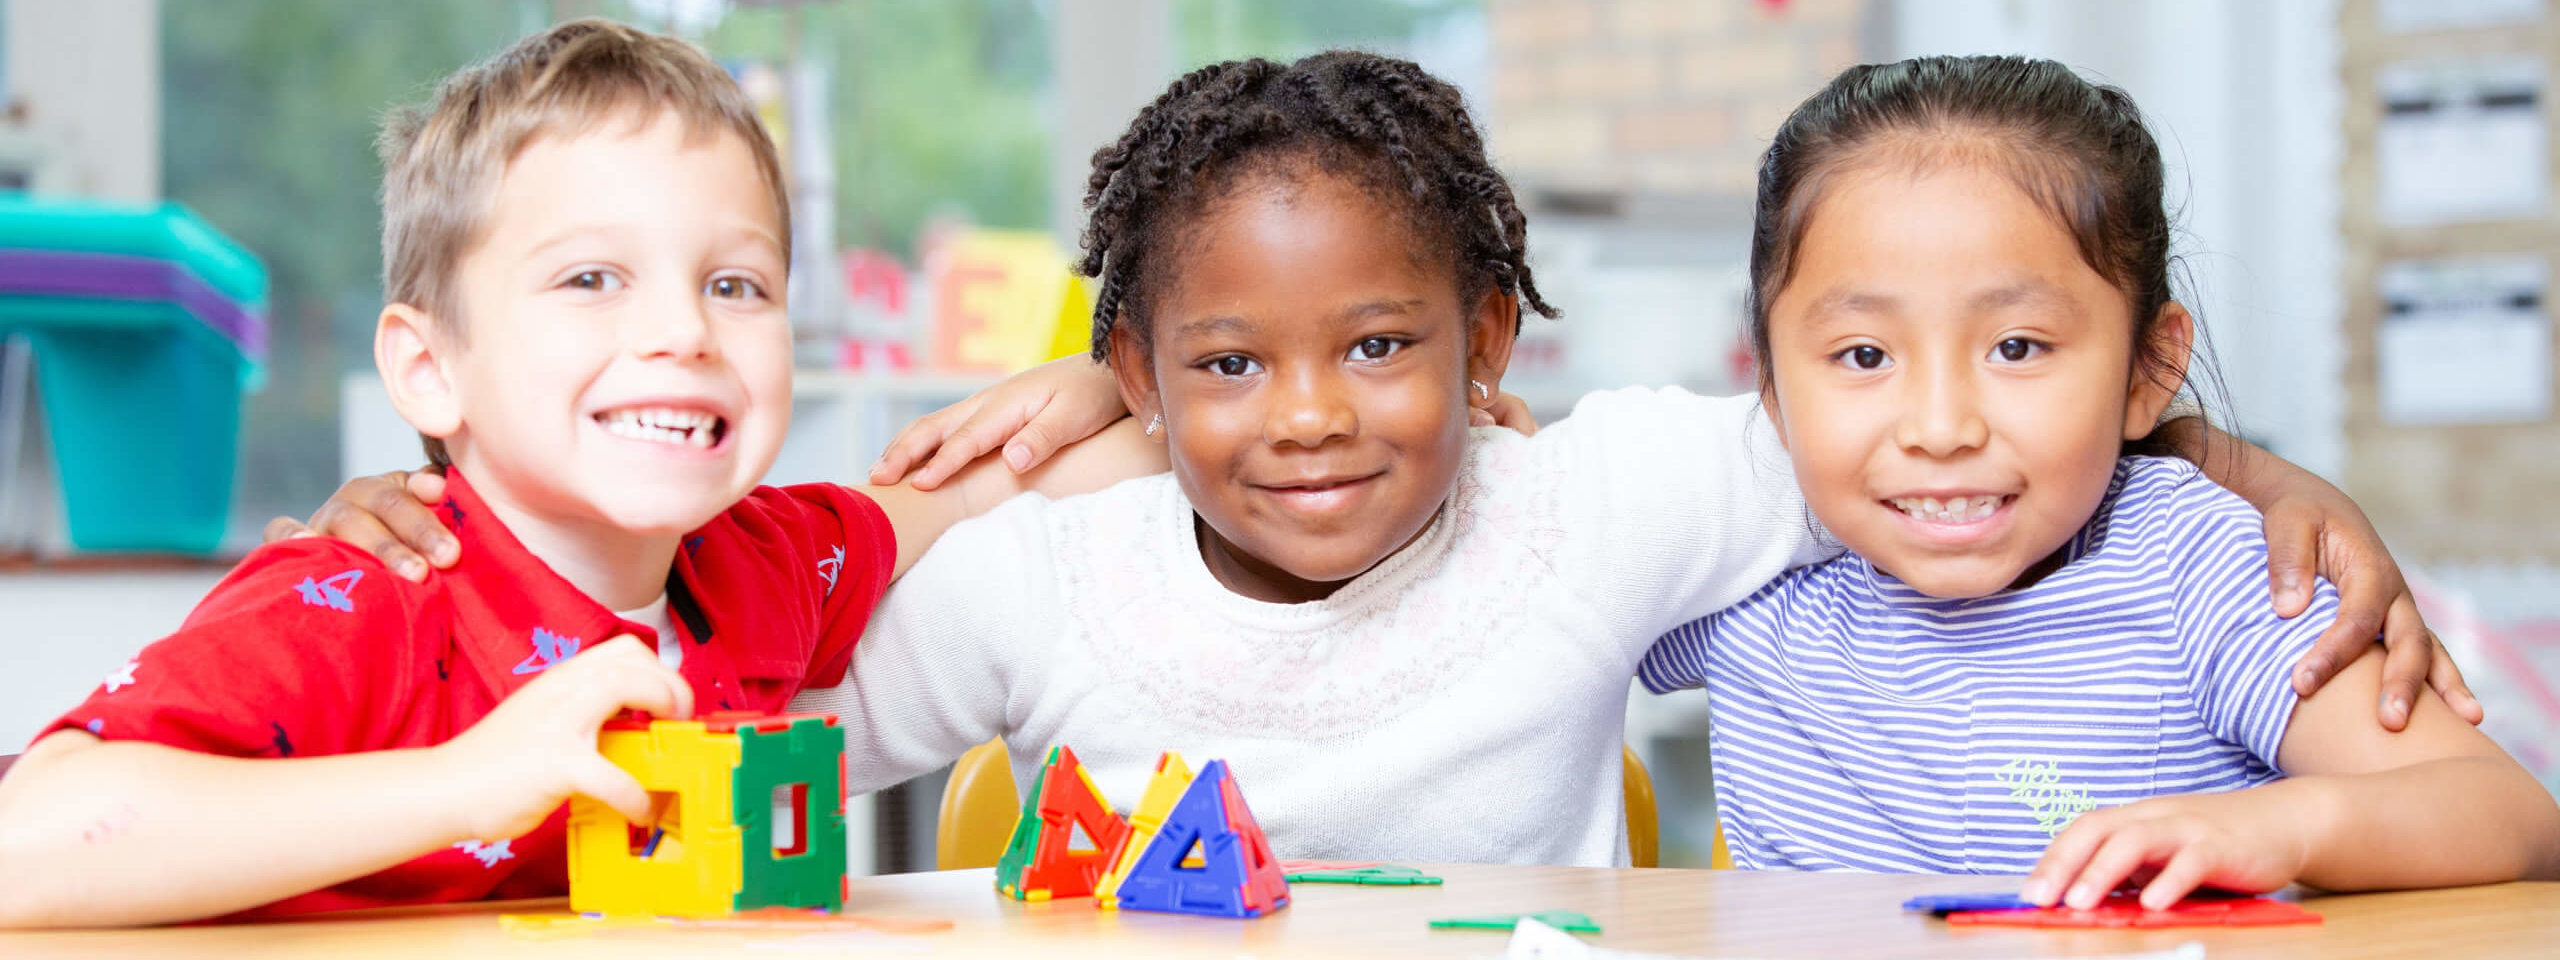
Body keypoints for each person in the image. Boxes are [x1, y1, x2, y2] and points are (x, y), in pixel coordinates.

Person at [296, 50, 2456, 869]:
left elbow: (1949, 428)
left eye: (1381, 348)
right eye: (1225, 362)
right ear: (1136, 366)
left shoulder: (1610, 495)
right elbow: (733, 741)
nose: (1310, 414)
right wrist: (477, 532)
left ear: (1487, 346)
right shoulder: (1034, 590)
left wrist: (2234, 462)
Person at [0, 20, 1139, 928]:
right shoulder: (359, 595)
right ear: (429, 368)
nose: (682, 331)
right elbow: (30, 843)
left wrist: (1117, 375)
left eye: (735, 285)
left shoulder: (765, 564)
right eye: (592, 278)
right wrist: (476, 780)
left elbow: (1069, 469)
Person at [1637, 55, 2559, 906]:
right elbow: (1514, 566)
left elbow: (2514, 819)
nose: (1941, 428)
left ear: (2147, 371)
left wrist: (2285, 827)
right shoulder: (1746, 553)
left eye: (2017, 347)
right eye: (1865, 353)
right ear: (1770, 383)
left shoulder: (2195, 566)